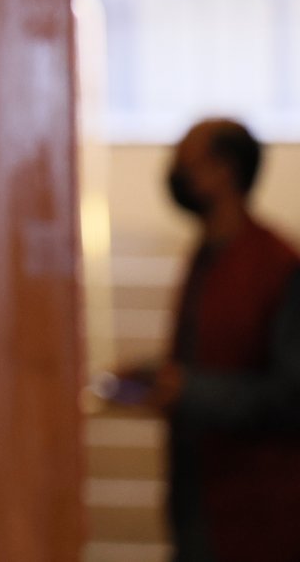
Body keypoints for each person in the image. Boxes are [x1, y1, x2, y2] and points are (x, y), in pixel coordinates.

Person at [150, 118, 300, 562]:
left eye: (186, 160)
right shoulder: (205, 257)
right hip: (199, 502)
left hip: (259, 513)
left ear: (225, 170)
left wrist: (190, 391)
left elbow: (291, 396)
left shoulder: (276, 265)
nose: (176, 173)